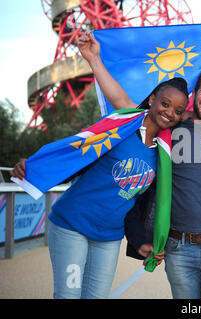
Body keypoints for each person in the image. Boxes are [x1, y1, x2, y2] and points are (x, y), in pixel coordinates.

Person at [80, 34, 201, 298]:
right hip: (178, 247)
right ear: (195, 94)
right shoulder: (170, 126)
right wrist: (94, 59)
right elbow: (124, 104)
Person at [10, 39, 189, 299]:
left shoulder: (162, 153)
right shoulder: (122, 128)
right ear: (152, 100)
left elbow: (133, 205)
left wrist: (140, 242)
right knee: (69, 295)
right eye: (165, 103)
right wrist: (34, 168)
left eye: (178, 110)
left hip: (109, 236)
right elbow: (76, 154)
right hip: (72, 224)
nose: (169, 112)